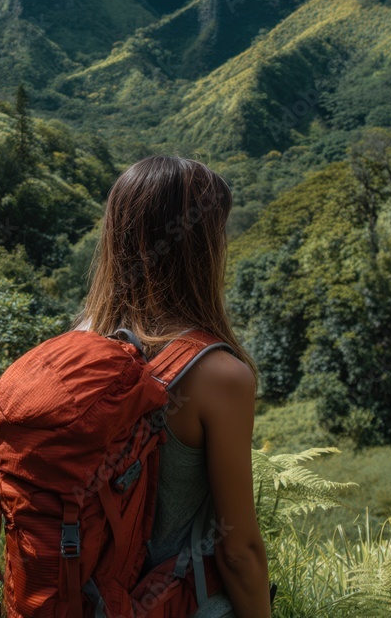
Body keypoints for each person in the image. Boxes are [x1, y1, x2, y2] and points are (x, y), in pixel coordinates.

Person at [73, 154, 272, 618]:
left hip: (72, 598)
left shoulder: (77, 343)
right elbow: (238, 549)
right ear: (202, 247)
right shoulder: (219, 375)